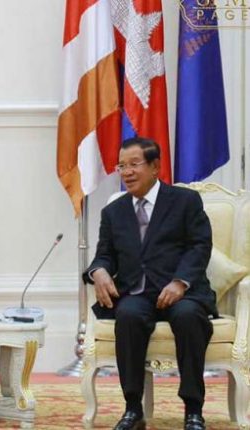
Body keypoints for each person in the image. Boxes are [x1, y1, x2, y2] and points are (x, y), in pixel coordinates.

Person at [84, 137, 216, 430]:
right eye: (122, 166)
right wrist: (99, 271)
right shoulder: (113, 211)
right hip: (137, 292)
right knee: (128, 315)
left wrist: (180, 282)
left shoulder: (184, 201)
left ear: (155, 166)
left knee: (188, 317)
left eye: (134, 164)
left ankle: (193, 410)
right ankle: (133, 409)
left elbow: (199, 246)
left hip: (182, 292)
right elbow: (104, 255)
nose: (127, 172)